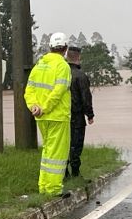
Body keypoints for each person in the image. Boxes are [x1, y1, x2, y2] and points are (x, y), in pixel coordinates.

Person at [24, 32, 73, 197]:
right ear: (65, 49)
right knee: (57, 154)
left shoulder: (39, 66)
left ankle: (44, 187)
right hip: (57, 116)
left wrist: (34, 107)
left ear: (50, 47)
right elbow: (58, 92)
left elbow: (29, 91)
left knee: (47, 151)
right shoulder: (63, 67)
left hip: (42, 117)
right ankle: (53, 190)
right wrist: (45, 107)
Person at [66, 43, 95, 179]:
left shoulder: (61, 73)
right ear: (78, 58)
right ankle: (76, 173)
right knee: (76, 145)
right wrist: (90, 114)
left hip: (61, 115)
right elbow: (86, 96)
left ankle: (64, 172)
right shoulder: (80, 76)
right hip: (76, 116)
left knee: (64, 144)